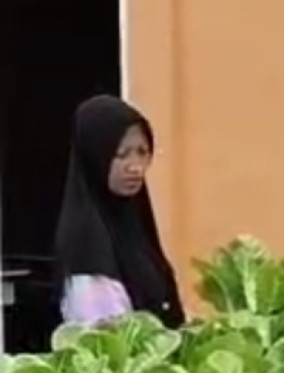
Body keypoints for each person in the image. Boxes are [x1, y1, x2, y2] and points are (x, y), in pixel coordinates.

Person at [54, 94, 185, 329]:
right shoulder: (87, 242)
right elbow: (107, 338)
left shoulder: (137, 227)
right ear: (97, 156)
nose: (135, 167)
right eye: (121, 154)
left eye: (142, 152)